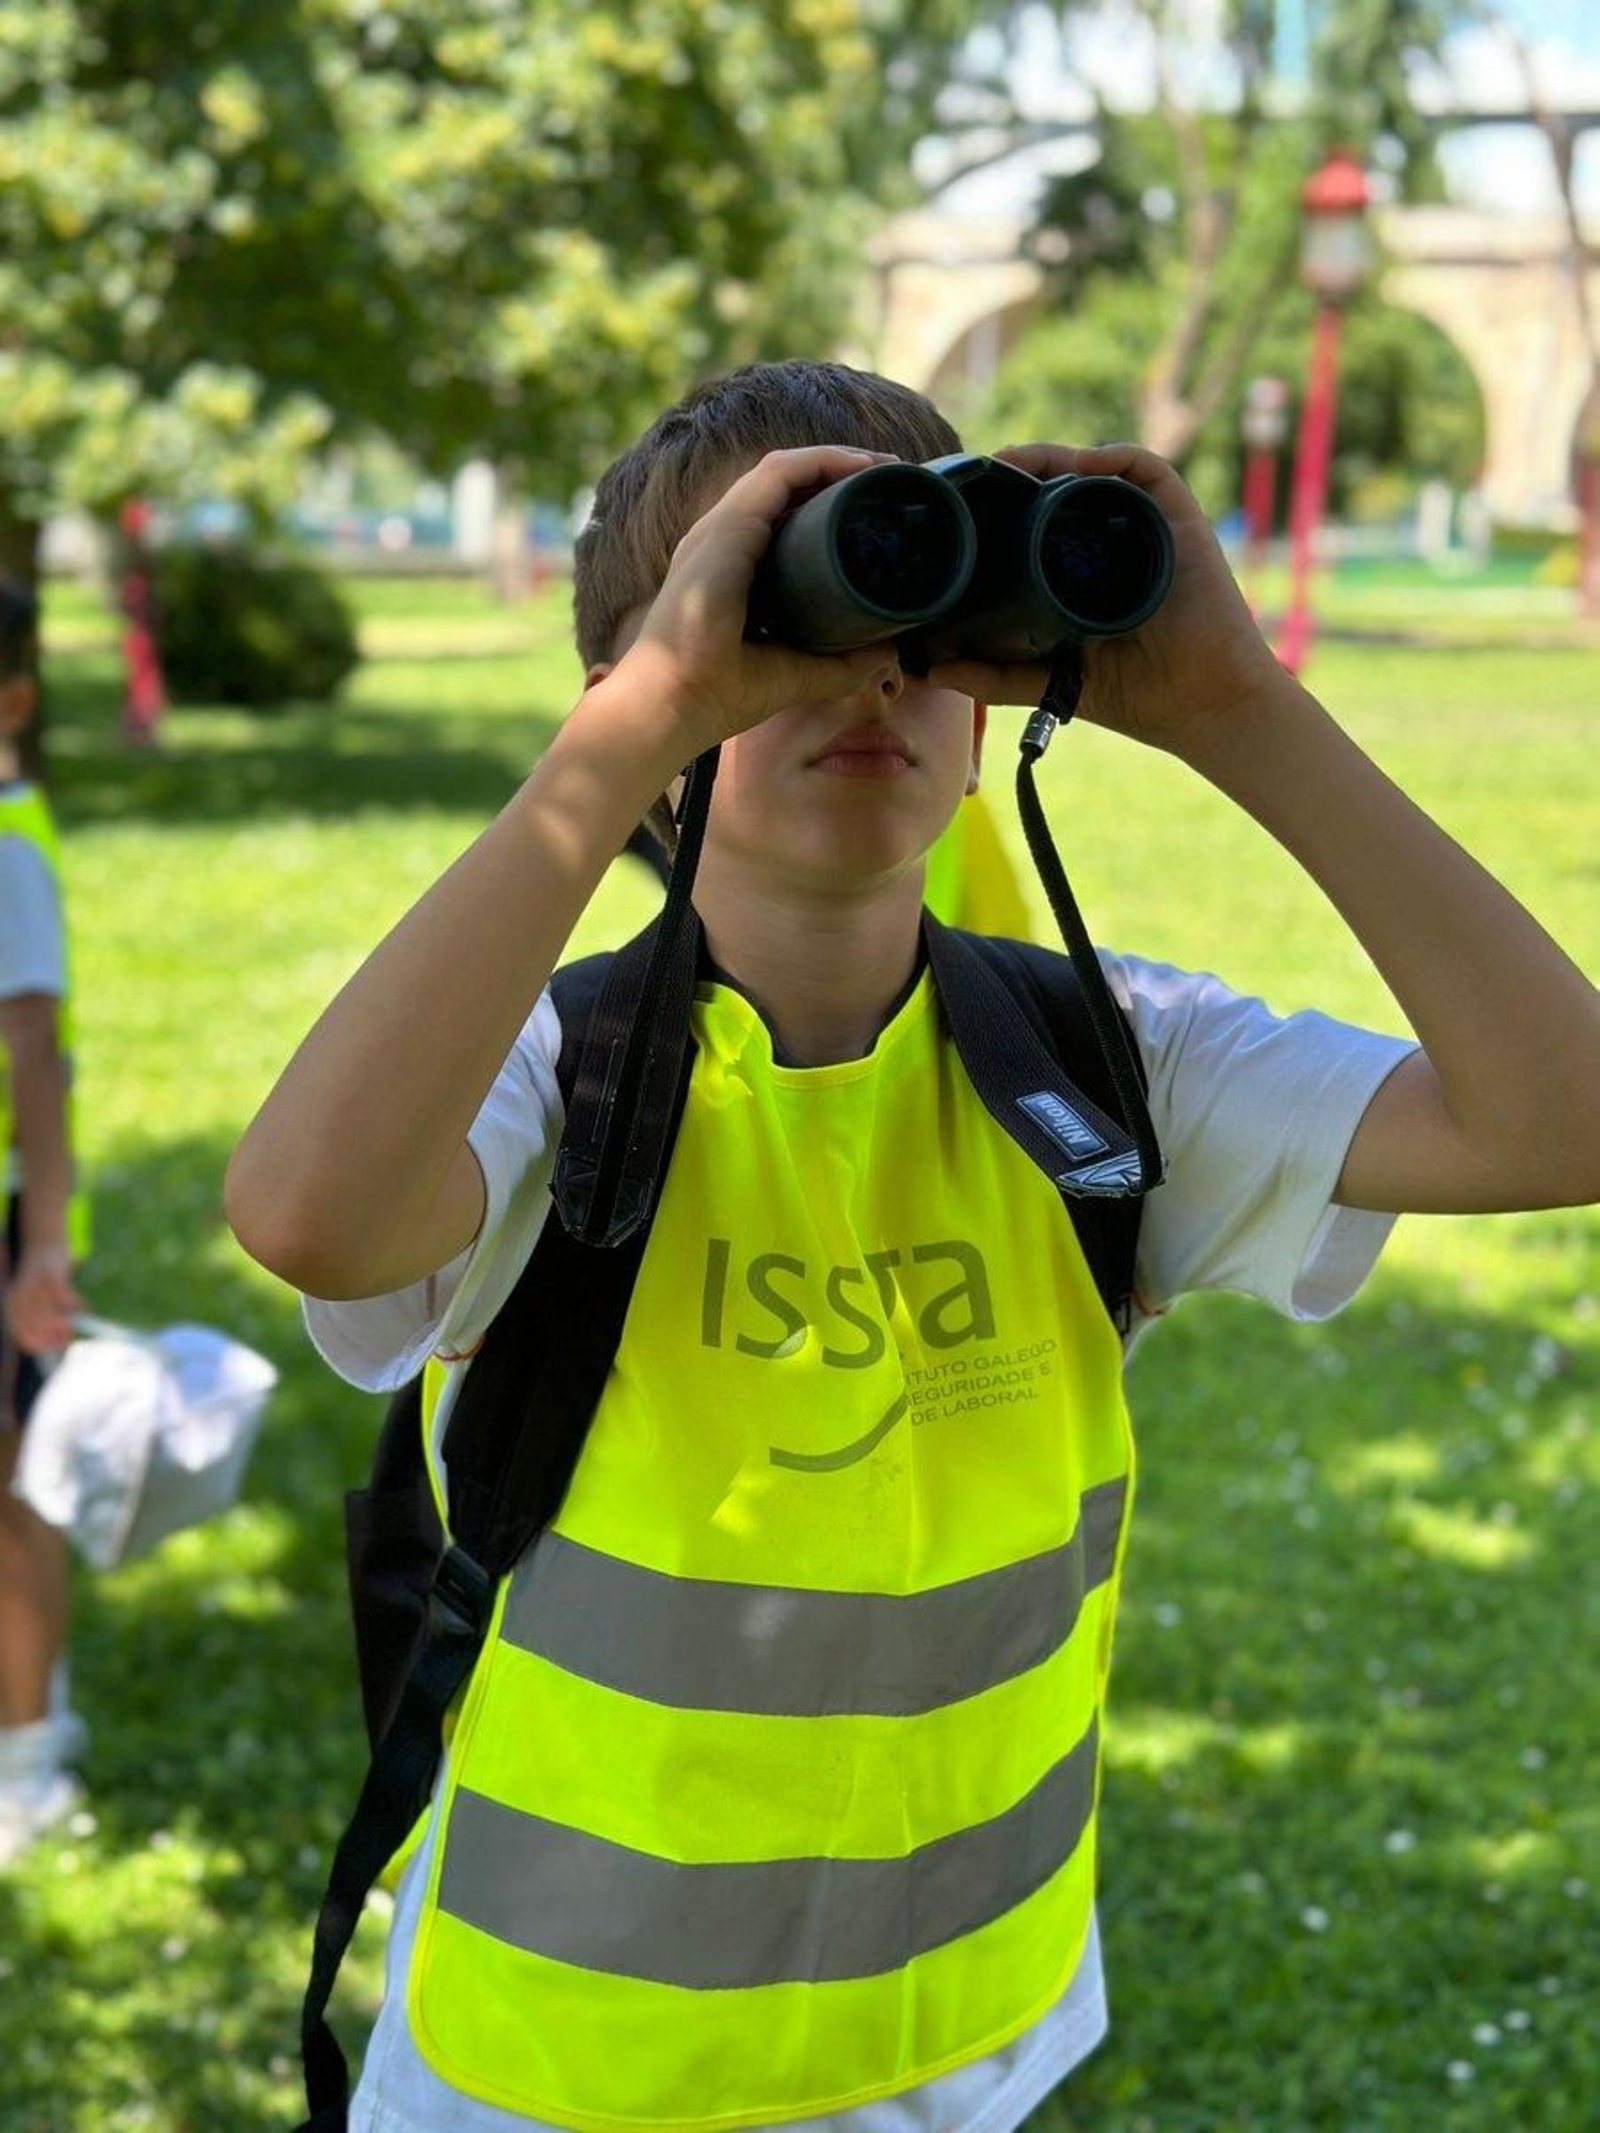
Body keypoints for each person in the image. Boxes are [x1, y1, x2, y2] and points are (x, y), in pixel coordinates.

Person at [226, 361, 1599, 2133]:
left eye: (921, 603)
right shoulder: (546, 1087)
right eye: (791, 595)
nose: (866, 667)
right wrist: (638, 720)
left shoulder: (1112, 1064)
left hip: (965, 2045)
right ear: (646, 695)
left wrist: (1236, 704)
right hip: (566, 2071)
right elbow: (308, 1213)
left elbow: (1559, 1122)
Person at [0, 572, 91, 1868]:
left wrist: (45, 1251)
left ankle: (28, 1757)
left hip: (8, 1230)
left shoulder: (10, 848)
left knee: (14, 1496)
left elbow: (40, 1070)